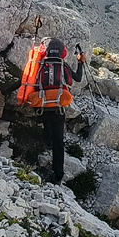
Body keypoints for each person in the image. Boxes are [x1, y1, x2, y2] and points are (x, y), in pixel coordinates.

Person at [35, 38, 85, 184]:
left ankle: (44, 147)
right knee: (59, 142)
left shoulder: (41, 64)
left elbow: (27, 81)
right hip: (58, 109)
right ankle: (58, 175)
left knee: (47, 127)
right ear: (62, 52)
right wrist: (80, 62)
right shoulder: (64, 65)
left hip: (42, 107)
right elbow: (78, 78)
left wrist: (3, 91)